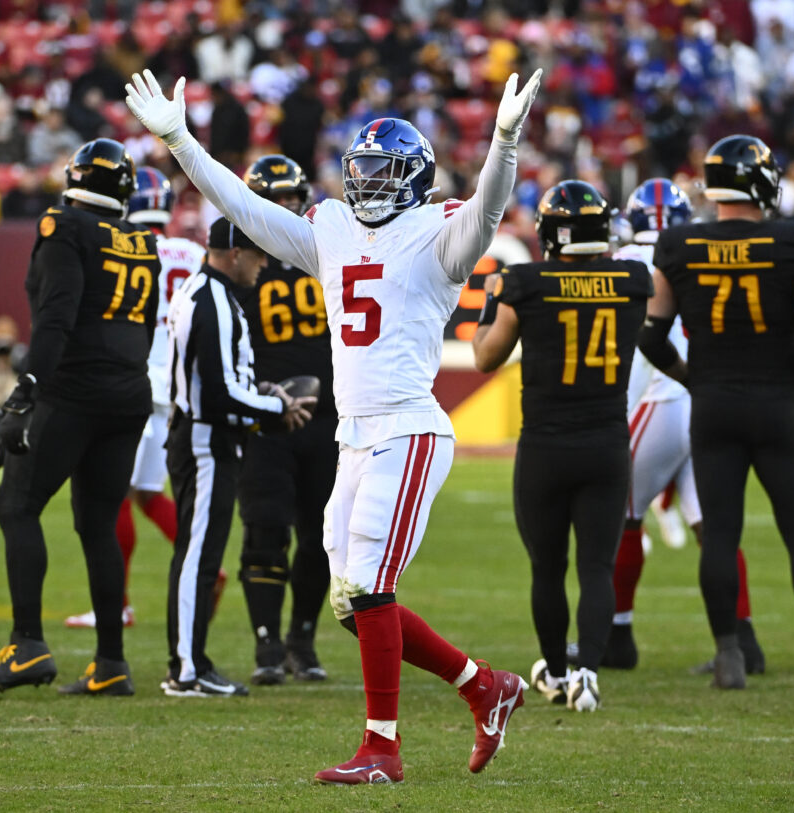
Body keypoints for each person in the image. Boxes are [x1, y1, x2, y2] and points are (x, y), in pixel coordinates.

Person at [126, 66, 542, 782]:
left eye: (383, 171)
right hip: (353, 436)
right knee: (353, 602)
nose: (368, 183)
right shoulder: (332, 227)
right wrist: (181, 141)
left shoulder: (440, 234)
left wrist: (503, 139)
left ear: (414, 176)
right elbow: (244, 206)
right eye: (361, 170)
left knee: (372, 588)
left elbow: (488, 208)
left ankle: (382, 747)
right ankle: (485, 685)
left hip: (408, 429)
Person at [638, 134, 794, 690]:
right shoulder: (790, 238)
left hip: (714, 405)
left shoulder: (679, 243)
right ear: (760, 183)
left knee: (723, 535)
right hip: (780, 401)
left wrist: (691, 378)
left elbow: (652, 335)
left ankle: (729, 656)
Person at [0, 138, 156, 697]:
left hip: (75, 391)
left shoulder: (64, 227)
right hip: (128, 394)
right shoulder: (142, 240)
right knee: (98, 523)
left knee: (16, 505)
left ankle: (26, 646)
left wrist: (25, 390)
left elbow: (55, 318)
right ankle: (111, 663)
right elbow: (142, 326)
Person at [471, 181, 652, 712]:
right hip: (606, 442)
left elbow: (485, 357)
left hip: (546, 445)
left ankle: (553, 672)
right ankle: (588, 675)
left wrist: (492, 303)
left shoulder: (523, 282)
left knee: (547, 568)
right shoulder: (634, 279)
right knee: (596, 566)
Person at [601, 178, 767, 675]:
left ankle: (619, 636)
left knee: (622, 516)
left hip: (663, 395)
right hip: (706, 397)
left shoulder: (621, 259)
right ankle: (743, 641)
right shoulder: (700, 251)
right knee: (713, 529)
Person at [160, 217, 316, 699]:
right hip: (208, 439)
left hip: (198, 434)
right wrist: (277, 406)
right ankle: (187, 669)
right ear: (233, 254)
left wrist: (262, 392)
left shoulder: (199, 291)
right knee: (198, 558)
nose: (264, 264)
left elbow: (218, 381)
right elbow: (223, 391)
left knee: (197, 555)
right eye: (256, 254)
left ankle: (190, 662)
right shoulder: (216, 300)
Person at [62, 166, 222, 631]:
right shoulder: (194, 252)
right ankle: (208, 569)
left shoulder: (121, 247)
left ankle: (118, 604)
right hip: (174, 387)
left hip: (129, 380)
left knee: (110, 496)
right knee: (149, 493)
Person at [234, 154, 336, 685]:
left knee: (324, 536)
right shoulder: (242, 262)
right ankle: (266, 642)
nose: (283, 213)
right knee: (264, 529)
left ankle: (302, 636)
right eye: (272, 203)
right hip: (264, 420)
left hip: (327, 418)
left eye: (291, 202)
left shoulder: (327, 249)